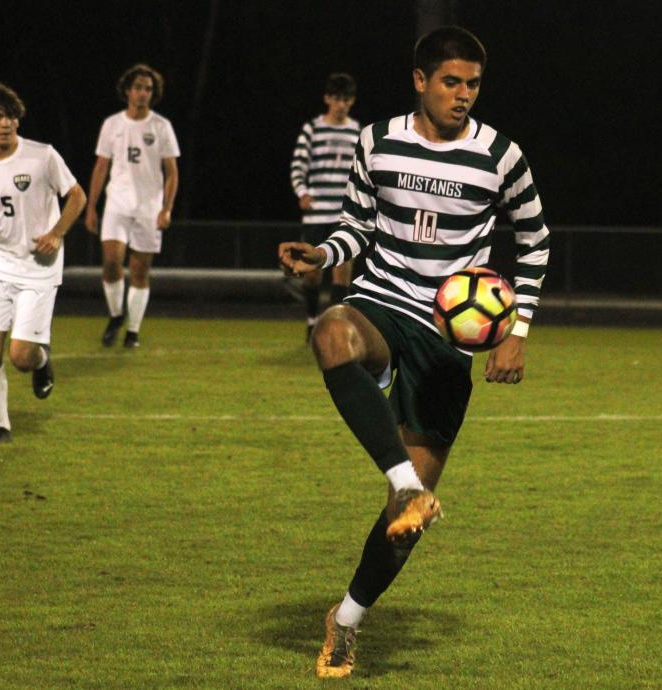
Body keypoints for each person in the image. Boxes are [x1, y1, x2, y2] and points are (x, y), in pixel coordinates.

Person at [278, 26, 550, 678]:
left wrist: (518, 330)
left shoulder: (501, 155)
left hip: (448, 343)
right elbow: (355, 227)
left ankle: (345, 621)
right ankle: (402, 484)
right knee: (330, 333)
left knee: (410, 521)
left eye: (474, 84)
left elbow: (536, 240)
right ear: (420, 80)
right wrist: (323, 254)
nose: (463, 96)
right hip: (381, 305)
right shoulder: (378, 141)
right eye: (452, 82)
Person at [0, 83, 86, 444]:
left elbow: (77, 195)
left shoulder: (43, 156)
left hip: (39, 267)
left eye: (11, 116)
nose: (6, 123)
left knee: (21, 357)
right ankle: (1, 426)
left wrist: (57, 232)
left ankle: (42, 361)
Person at [84, 64, 180, 348]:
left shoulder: (161, 126)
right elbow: (101, 166)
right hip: (117, 204)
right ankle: (116, 316)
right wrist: (91, 207)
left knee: (140, 271)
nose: (142, 93)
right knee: (112, 261)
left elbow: (172, 172)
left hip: (149, 208)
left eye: (148, 89)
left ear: (153, 94)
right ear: (127, 90)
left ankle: (133, 331)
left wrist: (166, 208)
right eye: (138, 87)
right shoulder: (112, 124)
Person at [289, 73, 361, 341]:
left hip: (344, 214)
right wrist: (302, 191)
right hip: (316, 213)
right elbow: (298, 165)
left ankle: (332, 327)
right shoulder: (313, 129)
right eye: (337, 99)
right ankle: (311, 320)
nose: (341, 104)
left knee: (342, 270)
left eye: (346, 100)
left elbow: (362, 171)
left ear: (352, 102)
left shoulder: (357, 131)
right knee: (312, 274)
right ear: (327, 99)